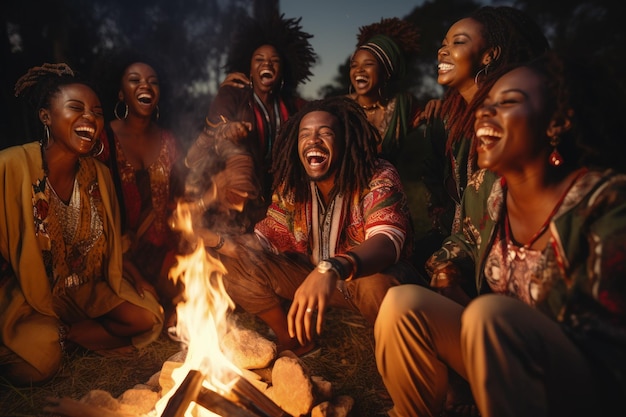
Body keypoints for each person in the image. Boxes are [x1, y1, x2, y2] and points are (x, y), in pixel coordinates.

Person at [374, 52, 626, 417]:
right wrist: (447, 271)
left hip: (591, 385)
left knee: (489, 315)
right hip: (500, 352)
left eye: (507, 102)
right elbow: (462, 241)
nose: (484, 113)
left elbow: (609, 346)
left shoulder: (606, 204)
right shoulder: (488, 190)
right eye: (485, 103)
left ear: (557, 122)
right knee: (403, 306)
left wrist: (504, 325)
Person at [180, 96, 421, 357]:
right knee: (231, 264)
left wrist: (332, 268)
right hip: (315, 278)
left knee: (376, 285)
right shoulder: (295, 184)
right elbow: (263, 241)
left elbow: (387, 241)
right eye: (305, 134)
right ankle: (293, 339)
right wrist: (212, 238)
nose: (313, 140)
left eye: (325, 133)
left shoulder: (376, 174)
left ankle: (408, 356)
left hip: (366, 280)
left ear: (344, 140)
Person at [0, 63, 163, 386]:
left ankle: (70, 336)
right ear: (46, 116)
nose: (90, 118)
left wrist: (139, 278)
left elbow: (113, 241)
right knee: (37, 366)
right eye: (76, 108)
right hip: (29, 294)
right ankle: (58, 339)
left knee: (148, 315)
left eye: (97, 112)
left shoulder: (97, 175)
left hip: (83, 286)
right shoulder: (11, 165)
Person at [420, 6, 550, 250]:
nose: (442, 51)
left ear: (489, 55)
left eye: (457, 42)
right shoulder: (445, 117)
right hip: (458, 244)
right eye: (443, 43)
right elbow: (434, 178)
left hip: (513, 245)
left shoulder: (513, 116)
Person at [184, 11, 316, 231]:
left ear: (282, 72)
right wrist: (228, 129)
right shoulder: (233, 93)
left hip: (273, 201)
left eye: (275, 61)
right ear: (250, 69)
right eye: (260, 59)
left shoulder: (292, 106)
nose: (268, 64)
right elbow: (216, 126)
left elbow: (322, 112)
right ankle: (203, 214)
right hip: (229, 197)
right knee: (239, 160)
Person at [98, 59, 185, 333]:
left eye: (153, 81)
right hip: (116, 254)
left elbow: (181, 200)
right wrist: (133, 275)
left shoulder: (170, 140)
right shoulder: (103, 139)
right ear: (121, 92)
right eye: (135, 79)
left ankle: (173, 305)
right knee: (145, 315)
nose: (145, 85)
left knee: (203, 286)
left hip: (163, 253)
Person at [347, 17, 422, 163]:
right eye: (354, 65)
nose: (359, 70)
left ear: (386, 72)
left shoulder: (403, 106)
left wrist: (436, 108)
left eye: (368, 64)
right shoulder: (340, 108)